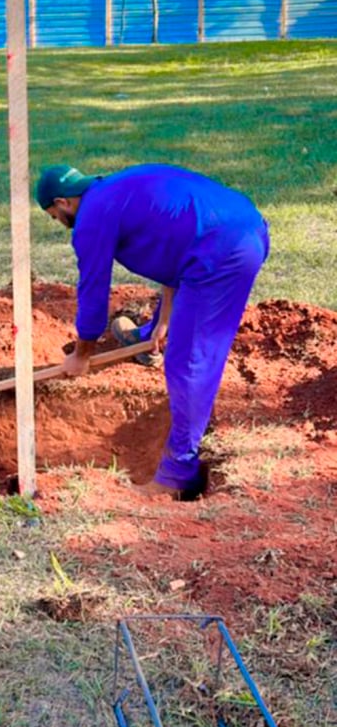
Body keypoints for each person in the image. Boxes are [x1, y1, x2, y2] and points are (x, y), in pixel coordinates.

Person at [35, 163, 270, 500]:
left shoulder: (89, 219)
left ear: (62, 202)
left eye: (53, 216)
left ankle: (177, 475)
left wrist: (82, 354)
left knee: (188, 362)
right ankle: (149, 336)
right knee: (173, 330)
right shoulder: (115, 189)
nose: (58, 223)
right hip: (241, 227)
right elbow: (173, 241)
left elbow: (93, 289)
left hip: (223, 252)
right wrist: (163, 321)